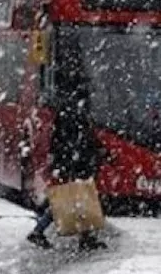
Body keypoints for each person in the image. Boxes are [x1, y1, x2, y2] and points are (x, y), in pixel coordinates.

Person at [27, 81, 108, 251]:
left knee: (75, 198)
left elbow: (60, 140)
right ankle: (39, 231)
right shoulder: (76, 114)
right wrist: (96, 152)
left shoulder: (66, 112)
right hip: (75, 163)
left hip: (70, 162)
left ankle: (85, 237)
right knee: (71, 199)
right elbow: (82, 140)